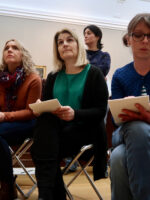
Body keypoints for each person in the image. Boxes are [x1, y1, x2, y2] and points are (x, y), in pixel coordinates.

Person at [31, 28, 108, 200]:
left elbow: (101, 111)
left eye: (69, 40)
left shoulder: (94, 73)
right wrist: (41, 107)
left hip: (85, 129)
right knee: (44, 125)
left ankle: (47, 196)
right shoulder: (52, 76)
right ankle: (48, 196)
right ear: (57, 49)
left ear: (78, 45)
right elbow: (48, 106)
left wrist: (76, 114)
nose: (64, 44)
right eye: (60, 42)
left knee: (41, 150)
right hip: (57, 130)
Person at [110, 13, 150, 200]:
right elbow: (115, 120)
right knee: (135, 127)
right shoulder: (120, 75)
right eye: (138, 35)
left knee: (118, 157)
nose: (145, 40)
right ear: (129, 39)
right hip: (124, 132)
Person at [0, 39, 42, 200]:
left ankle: (7, 185)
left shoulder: (33, 78)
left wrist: (5, 116)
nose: (9, 50)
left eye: (15, 48)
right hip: (4, 123)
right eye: (6, 48)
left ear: (23, 55)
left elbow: (31, 112)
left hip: (28, 123)